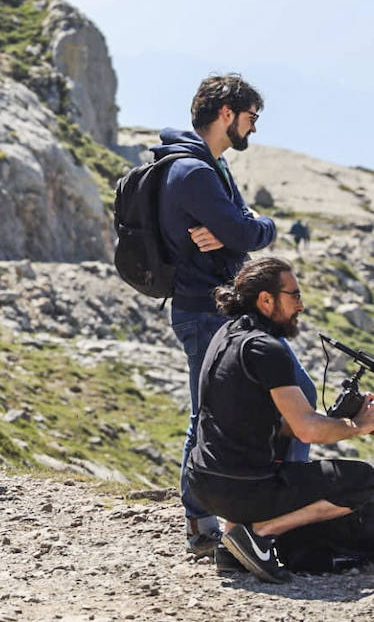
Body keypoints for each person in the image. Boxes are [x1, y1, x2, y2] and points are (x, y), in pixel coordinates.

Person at [153, 74, 287, 554]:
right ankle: (202, 522)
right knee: (207, 411)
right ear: (227, 114)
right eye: (251, 117)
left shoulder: (211, 167)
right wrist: (242, 229)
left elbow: (247, 227)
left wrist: (242, 228)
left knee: (227, 408)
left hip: (214, 308)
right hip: (204, 309)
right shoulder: (194, 173)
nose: (254, 128)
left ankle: (224, 518)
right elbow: (249, 232)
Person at [184, 257, 374, 583]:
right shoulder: (266, 348)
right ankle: (258, 533)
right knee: (364, 479)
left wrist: (344, 419)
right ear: (266, 300)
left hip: (203, 483)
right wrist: (361, 426)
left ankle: (234, 549)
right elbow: (307, 430)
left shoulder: (225, 335)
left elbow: (267, 421)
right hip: (245, 489)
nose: (301, 305)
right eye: (294, 295)